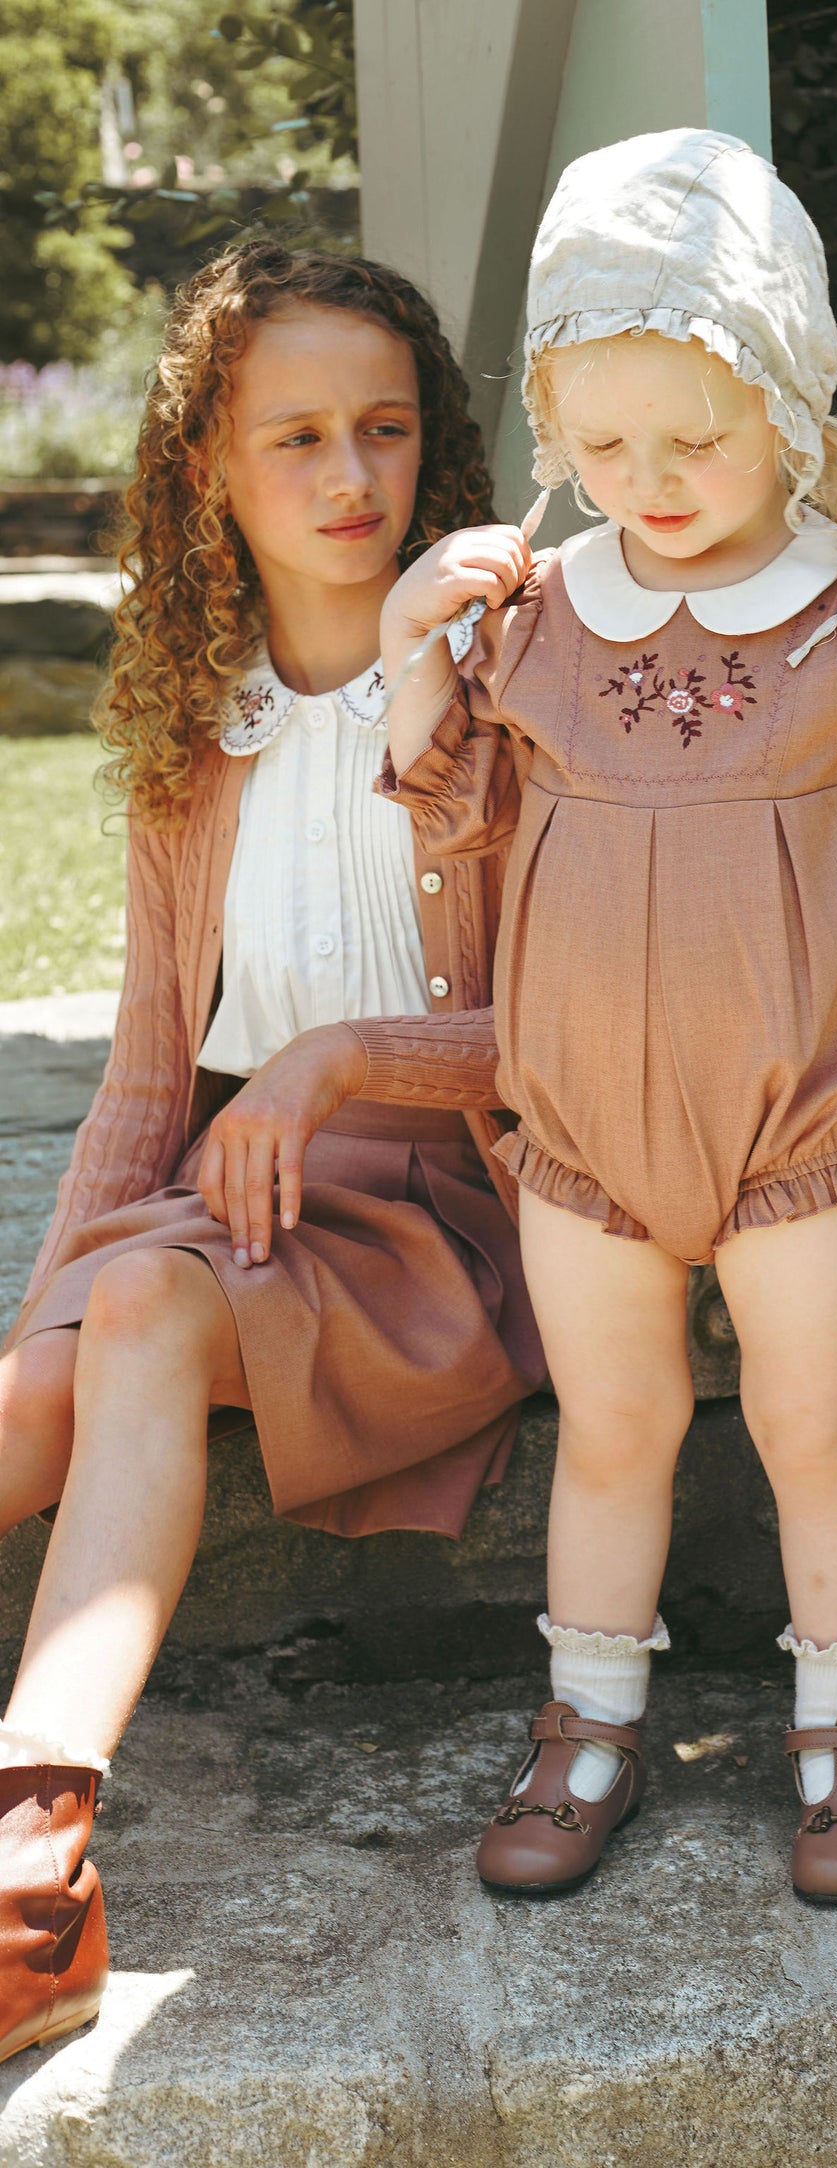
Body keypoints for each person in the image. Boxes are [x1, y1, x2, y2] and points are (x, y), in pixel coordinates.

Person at [381, 129, 837, 1905]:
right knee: (615, 1425)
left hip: (802, 1121)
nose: (651, 479)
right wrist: (416, 642)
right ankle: (589, 1722)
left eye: (697, 437)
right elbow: (451, 809)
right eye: (603, 442)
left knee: (814, 1422)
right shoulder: (542, 619)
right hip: (581, 1137)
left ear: (788, 399)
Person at [0, 240, 545, 2059]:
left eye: (384, 429)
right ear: (209, 475)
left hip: (446, 1213)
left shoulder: (508, 688)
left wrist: (341, 1058)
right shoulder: (197, 738)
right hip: (233, 1193)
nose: (350, 477)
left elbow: (587, 1036)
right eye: (295, 437)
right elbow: (151, 1081)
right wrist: (49, 1308)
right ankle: (33, 1851)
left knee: (147, 1314)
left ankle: (33, 1849)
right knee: (52, 1380)